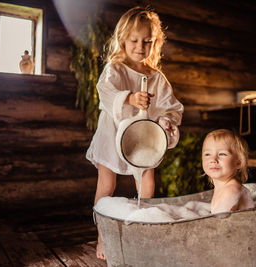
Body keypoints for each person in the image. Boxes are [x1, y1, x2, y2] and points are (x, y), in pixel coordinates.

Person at [86, 6, 184, 260]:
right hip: (112, 134)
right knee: (107, 184)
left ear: (155, 43)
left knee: (147, 183)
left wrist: (165, 121)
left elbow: (170, 107)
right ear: (123, 39)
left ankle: (140, 230)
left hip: (142, 139)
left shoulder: (157, 77)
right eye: (134, 40)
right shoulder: (115, 68)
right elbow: (105, 92)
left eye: (147, 42)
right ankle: (103, 239)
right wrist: (129, 98)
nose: (140, 46)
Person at [201, 129, 254, 214]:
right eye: (207, 154)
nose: (213, 159)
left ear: (238, 162)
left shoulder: (231, 190)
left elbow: (219, 224)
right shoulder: (222, 187)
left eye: (222, 154)